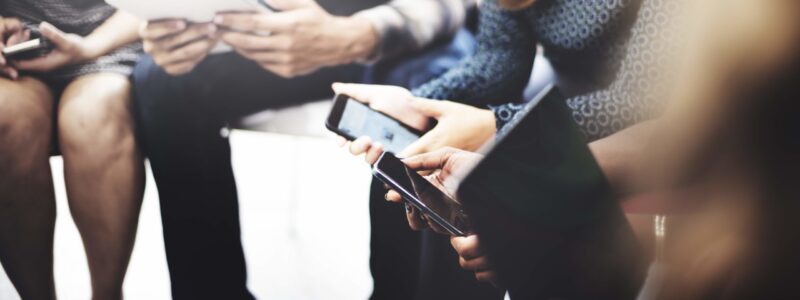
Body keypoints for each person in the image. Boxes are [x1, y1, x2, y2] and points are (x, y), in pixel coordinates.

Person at [132, 0, 475, 298]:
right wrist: (183, 25)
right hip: (288, 25)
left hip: (412, 32)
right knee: (164, 80)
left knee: (436, 115)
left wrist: (356, 34)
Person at [0, 1, 143, 299]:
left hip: (111, 41)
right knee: (7, 118)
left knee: (93, 116)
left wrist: (91, 46)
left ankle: (108, 294)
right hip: (15, 53)